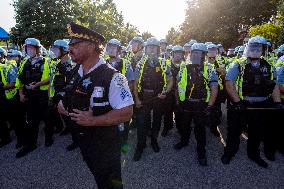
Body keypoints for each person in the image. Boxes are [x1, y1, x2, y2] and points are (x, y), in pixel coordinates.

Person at [58, 22, 133, 189]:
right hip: (85, 141)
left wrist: (93, 121)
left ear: (92, 47)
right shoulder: (76, 71)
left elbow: (127, 112)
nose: (70, 49)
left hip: (105, 145)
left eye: (75, 44)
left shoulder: (113, 77)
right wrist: (62, 103)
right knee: (100, 179)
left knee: (111, 183)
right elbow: (68, 91)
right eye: (70, 44)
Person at [221, 36, 282, 168]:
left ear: (264, 49)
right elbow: (229, 83)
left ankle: (254, 154)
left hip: (261, 106)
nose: (256, 50)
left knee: (256, 132)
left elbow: (275, 85)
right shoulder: (238, 63)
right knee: (234, 131)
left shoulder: (269, 65)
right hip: (241, 105)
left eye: (259, 48)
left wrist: (277, 102)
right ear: (248, 48)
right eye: (253, 47)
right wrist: (237, 102)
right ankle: (229, 153)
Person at [174, 43, 218, 166]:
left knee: (200, 130)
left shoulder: (209, 68)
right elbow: (178, 85)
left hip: (201, 105)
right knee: (184, 126)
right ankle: (184, 141)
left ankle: (201, 151)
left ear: (204, 55)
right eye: (194, 53)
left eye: (199, 53)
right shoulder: (184, 67)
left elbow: (214, 88)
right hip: (186, 103)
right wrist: (178, 101)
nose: (195, 55)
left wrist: (210, 106)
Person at [133, 37, 173, 161]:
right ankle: (140, 145)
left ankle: (154, 141)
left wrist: (165, 92)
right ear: (146, 49)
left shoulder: (164, 62)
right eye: (149, 47)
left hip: (158, 97)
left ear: (157, 49)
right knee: (141, 122)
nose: (151, 49)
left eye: (154, 47)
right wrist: (137, 99)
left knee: (156, 121)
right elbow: (134, 83)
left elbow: (171, 80)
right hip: (144, 97)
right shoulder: (140, 63)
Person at [15, 38, 51, 158]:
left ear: (37, 49)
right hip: (30, 97)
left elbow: (51, 78)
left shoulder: (46, 61)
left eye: (32, 48)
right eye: (28, 48)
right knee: (31, 121)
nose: (29, 50)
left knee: (47, 118)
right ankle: (31, 144)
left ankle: (49, 138)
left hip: (42, 96)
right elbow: (19, 80)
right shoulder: (25, 62)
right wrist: (21, 94)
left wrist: (38, 84)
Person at [46, 39, 74, 147]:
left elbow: (72, 84)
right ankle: (66, 128)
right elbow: (52, 80)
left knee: (70, 117)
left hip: (66, 97)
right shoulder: (57, 64)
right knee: (57, 115)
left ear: (64, 50)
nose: (53, 51)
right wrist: (50, 94)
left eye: (56, 49)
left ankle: (76, 140)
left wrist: (63, 97)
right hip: (55, 96)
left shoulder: (70, 65)